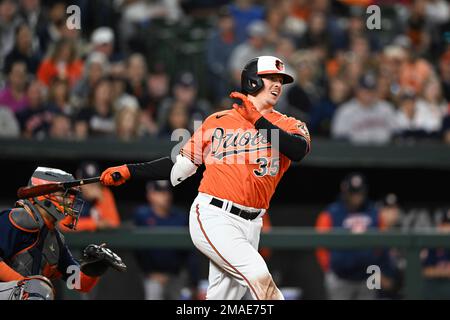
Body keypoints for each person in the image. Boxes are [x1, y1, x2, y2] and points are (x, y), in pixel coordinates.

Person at [100, 55, 311, 300]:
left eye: (280, 80)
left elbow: (297, 150)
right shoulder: (217, 120)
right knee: (262, 281)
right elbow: (180, 167)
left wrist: (257, 119)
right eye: (270, 78)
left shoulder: (289, 124)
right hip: (214, 215)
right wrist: (130, 170)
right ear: (253, 81)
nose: (277, 84)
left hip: (252, 224)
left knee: (223, 300)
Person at [0, 167, 126, 300]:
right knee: (40, 290)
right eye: (64, 194)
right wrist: (27, 286)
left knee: (40, 291)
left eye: (71, 195)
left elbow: (78, 284)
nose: (70, 201)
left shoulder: (54, 239)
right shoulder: (17, 218)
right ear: (43, 194)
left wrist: (94, 269)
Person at [315, 172, 394, 300]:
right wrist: (329, 268)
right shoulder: (332, 213)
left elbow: (383, 243)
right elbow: (320, 244)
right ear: (345, 191)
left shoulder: (374, 212)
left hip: (368, 276)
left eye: (359, 192)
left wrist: (377, 268)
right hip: (340, 276)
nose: (357, 196)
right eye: (353, 192)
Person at [134, 180, 199, 300]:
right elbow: (139, 249)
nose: (165, 196)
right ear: (150, 195)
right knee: (153, 292)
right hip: (152, 275)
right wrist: (149, 272)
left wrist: (194, 282)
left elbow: (190, 252)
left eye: (167, 192)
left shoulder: (180, 217)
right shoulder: (142, 215)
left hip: (176, 275)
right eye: (160, 192)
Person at [59, 162, 121, 232]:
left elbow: (114, 223)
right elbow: (62, 225)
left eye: (94, 180)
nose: (91, 185)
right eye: (87, 181)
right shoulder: (71, 194)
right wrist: (95, 224)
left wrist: (101, 201)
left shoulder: (103, 193)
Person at [421, 207, 450, 299]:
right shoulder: (433, 245)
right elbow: (425, 271)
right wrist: (444, 271)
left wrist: (437, 271)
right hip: (434, 292)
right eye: (447, 224)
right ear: (441, 226)